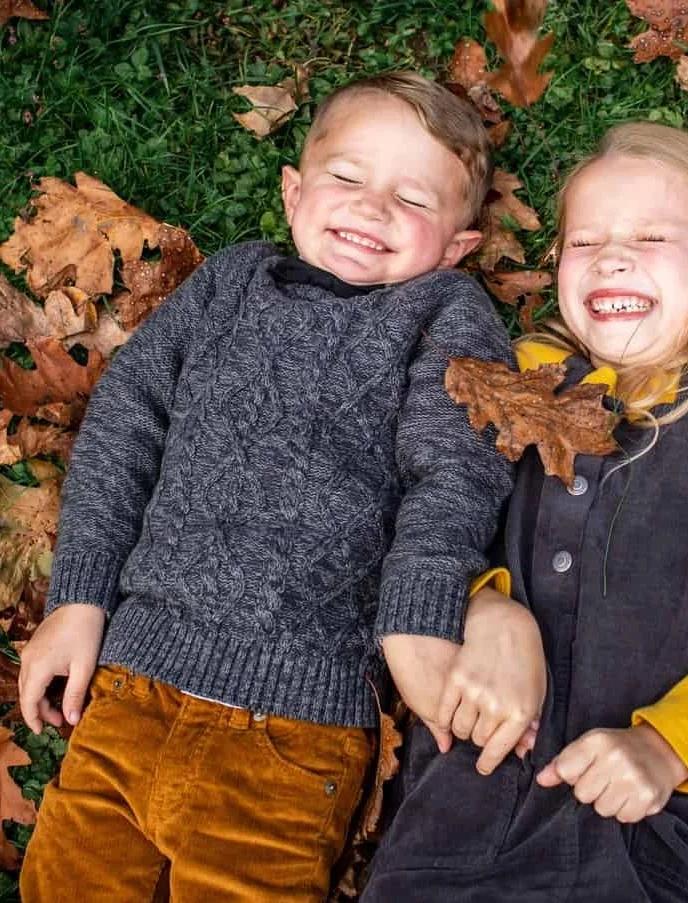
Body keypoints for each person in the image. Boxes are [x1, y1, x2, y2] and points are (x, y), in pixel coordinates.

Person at [17, 71, 529, 902]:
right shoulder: (230, 281)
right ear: (294, 194)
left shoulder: (442, 312)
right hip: (127, 690)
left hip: (295, 727)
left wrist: (415, 620)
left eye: (414, 199)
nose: (372, 208)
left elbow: (454, 472)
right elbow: (127, 418)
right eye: (348, 177)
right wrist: (79, 597)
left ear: (458, 246)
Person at [363, 121, 688, 901]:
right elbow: (429, 517)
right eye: (584, 242)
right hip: (463, 798)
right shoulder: (517, 374)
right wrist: (479, 609)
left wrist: (670, 746)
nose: (611, 255)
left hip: (655, 814)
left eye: (651, 236)